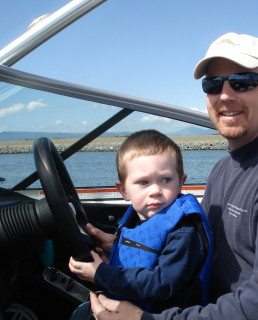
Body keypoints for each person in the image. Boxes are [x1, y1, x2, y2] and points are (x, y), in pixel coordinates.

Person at [89, 32, 258, 320]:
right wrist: (133, 245)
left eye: (243, 81)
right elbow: (199, 249)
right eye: (212, 84)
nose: (225, 94)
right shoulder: (225, 168)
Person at [69, 129, 213, 318]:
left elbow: (162, 283)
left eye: (165, 180)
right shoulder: (139, 220)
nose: (155, 190)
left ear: (181, 183)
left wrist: (102, 274)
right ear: (123, 190)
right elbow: (147, 251)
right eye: (143, 182)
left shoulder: (184, 233)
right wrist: (116, 248)